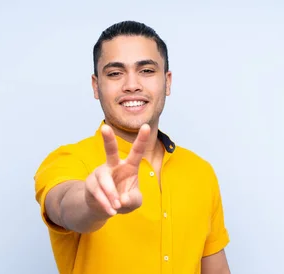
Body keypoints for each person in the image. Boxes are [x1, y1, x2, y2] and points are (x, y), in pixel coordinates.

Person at [34, 20, 231, 274]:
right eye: (115, 73)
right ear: (96, 86)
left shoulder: (200, 172)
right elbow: (61, 205)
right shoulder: (68, 160)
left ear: (167, 81)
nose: (131, 84)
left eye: (146, 71)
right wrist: (92, 202)